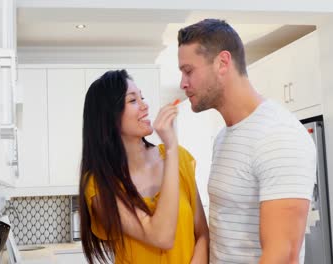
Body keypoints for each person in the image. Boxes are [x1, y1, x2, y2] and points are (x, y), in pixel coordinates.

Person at [177, 19, 317, 263]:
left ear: (222, 63)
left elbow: (282, 256)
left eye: (188, 71)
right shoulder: (223, 137)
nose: (183, 83)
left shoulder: (278, 136)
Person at [78, 69, 209, 264]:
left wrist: (172, 151)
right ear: (109, 117)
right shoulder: (98, 184)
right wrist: (171, 147)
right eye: (132, 101)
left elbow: (202, 235)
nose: (145, 106)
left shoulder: (179, 159)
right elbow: (161, 236)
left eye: (142, 98)